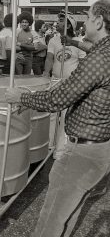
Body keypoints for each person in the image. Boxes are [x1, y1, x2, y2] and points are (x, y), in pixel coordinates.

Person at [5, 0, 110, 237]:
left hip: (82, 152)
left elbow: (58, 99)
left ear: (99, 21)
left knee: (51, 220)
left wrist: (21, 98)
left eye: (88, 16)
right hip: (100, 147)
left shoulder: (99, 59)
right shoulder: (104, 52)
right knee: (68, 213)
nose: (85, 21)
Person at [44, 12, 87, 159]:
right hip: (55, 82)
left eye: (61, 20)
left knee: (65, 115)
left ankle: (60, 150)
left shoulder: (78, 41)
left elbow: (82, 63)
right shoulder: (53, 40)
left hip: (70, 84)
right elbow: (49, 59)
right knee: (51, 115)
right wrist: (45, 74)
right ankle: (49, 145)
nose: (57, 22)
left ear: (68, 24)